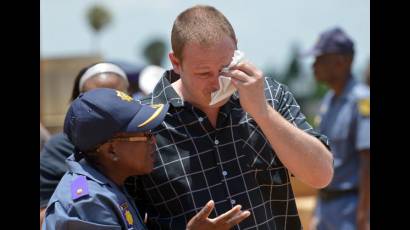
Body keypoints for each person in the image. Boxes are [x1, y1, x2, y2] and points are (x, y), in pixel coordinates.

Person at [126, 5, 333, 229]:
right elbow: (121, 218)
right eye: (204, 73)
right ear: (176, 63)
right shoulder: (142, 122)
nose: (216, 83)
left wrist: (262, 112)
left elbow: (321, 175)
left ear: (236, 51)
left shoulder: (269, 95)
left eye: (225, 69)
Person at [42, 88, 250, 229]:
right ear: (111, 150)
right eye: (145, 135)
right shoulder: (87, 203)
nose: (154, 141)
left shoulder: (106, 185)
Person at [40, 62, 131, 227]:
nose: (108, 106)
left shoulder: (138, 145)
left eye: (117, 95)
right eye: (98, 97)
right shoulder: (59, 149)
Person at [305, 27, 370, 230]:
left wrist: (363, 216)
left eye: (320, 59)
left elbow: (367, 162)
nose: (313, 65)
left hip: (351, 209)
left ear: (341, 62)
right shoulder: (329, 101)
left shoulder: (362, 101)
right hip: (327, 208)